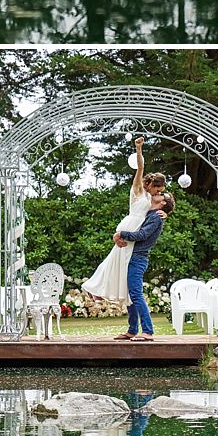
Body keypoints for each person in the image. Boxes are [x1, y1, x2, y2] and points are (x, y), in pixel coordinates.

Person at [82, 138, 165, 306]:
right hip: (131, 224)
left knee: (116, 261)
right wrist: (139, 149)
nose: (159, 192)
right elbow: (140, 167)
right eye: (158, 188)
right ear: (150, 184)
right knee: (115, 260)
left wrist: (165, 213)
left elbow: (157, 210)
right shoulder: (138, 190)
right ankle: (95, 288)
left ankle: (97, 289)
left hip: (137, 228)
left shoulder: (152, 198)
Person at [112, 190, 175, 342]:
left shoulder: (156, 218)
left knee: (136, 294)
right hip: (131, 256)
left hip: (138, 258)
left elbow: (142, 235)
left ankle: (148, 331)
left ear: (163, 202)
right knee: (131, 294)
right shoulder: (149, 213)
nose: (157, 192)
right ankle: (132, 330)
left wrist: (121, 233)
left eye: (161, 194)